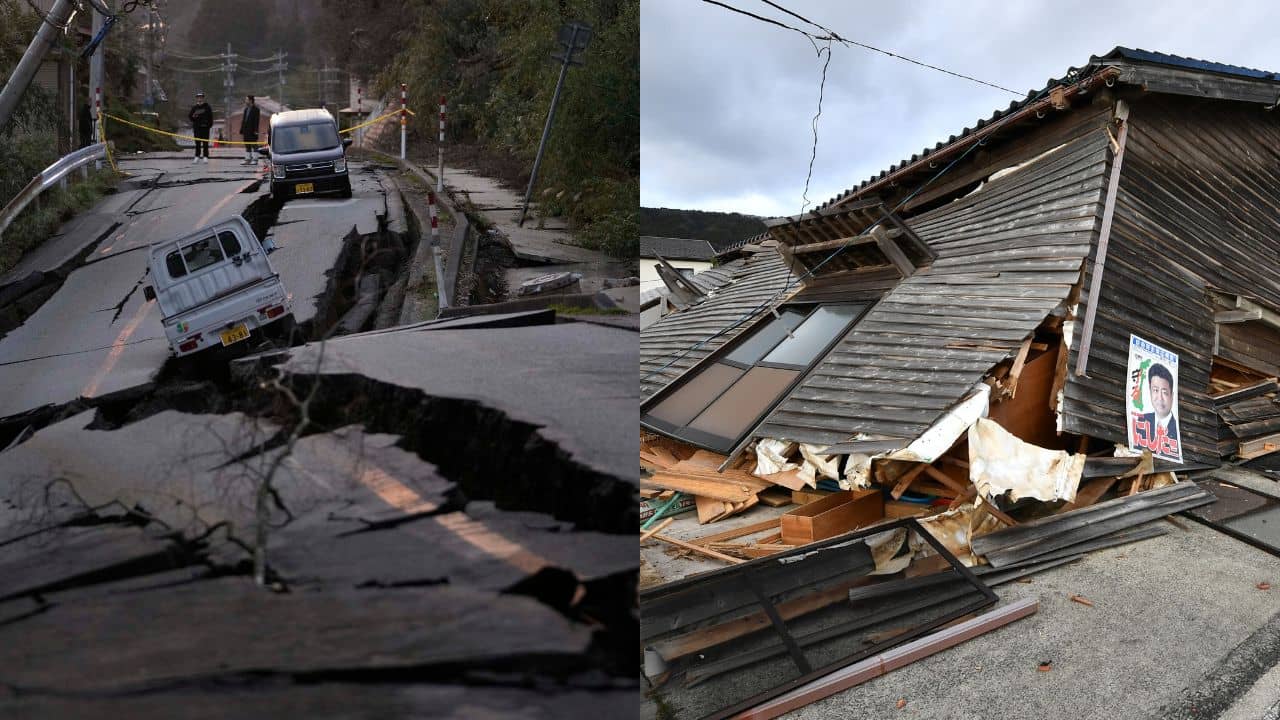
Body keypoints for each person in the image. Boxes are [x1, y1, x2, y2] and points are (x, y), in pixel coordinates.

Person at [1139, 363, 1178, 445]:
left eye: (1164, 392)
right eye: (1155, 390)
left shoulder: (1177, 429)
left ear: (1172, 396)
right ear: (1150, 391)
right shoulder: (1141, 420)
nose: (1160, 398)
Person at [188, 91, 213, 163]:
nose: (199, 99)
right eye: (198, 97)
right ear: (197, 98)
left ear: (203, 98)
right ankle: (197, 156)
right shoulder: (194, 107)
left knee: (205, 143)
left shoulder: (207, 107)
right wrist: (194, 117)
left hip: (205, 128)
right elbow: (190, 116)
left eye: (201, 97)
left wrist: (209, 125)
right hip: (197, 128)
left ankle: (205, 156)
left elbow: (210, 117)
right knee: (197, 143)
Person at [239, 95, 261, 165]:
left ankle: (255, 159)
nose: (246, 101)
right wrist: (242, 129)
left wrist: (256, 131)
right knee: (247, 145)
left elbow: (256, 121)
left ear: (251, 100)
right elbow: (244, 120)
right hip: (246, 130)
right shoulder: (246, 109)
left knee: (254, 145)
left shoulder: (256, 110)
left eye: (247, 100)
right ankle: (247, 159)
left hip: (252, 130)